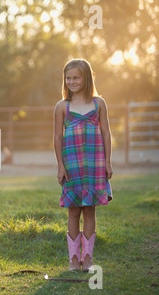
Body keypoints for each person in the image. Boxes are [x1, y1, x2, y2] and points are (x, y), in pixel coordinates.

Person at [53, 59, 113, 271]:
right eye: (68, 78)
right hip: (72, 166)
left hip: (95, 164)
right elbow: (58, 138)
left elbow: (106, 132)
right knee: (73, 211)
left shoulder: (99, 104)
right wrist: (60, 166)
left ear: (86, 78)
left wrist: (107, 162)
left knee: (89, 211)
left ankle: (87, 258)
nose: (72, 81)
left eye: (76, 77)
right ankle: (73, 260)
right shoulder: (62, 107)